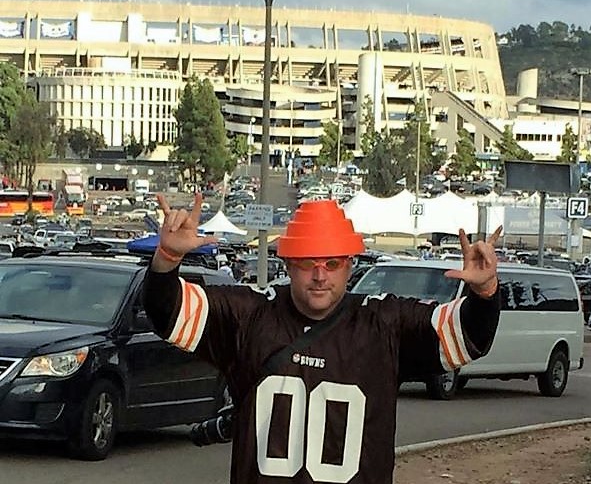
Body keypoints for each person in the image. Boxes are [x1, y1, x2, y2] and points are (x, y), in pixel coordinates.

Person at [143, 194, 501, 484]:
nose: (319, 275)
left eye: (331, 264)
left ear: (349, 266)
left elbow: (468, 336)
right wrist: (168, 259)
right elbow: (168, 313)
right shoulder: (249, 316)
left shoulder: (383, 324)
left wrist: (485, 293)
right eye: (306, 263)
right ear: (288, 265)